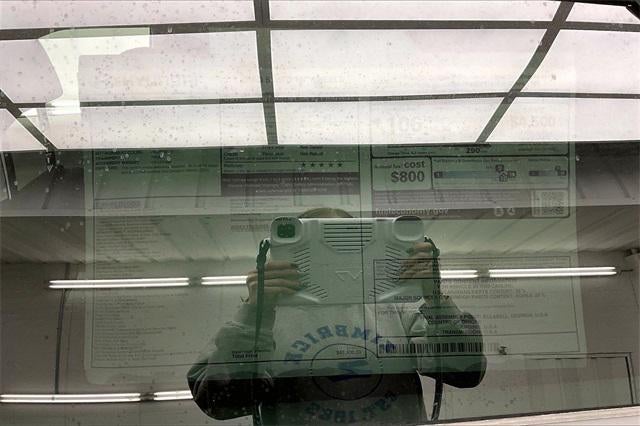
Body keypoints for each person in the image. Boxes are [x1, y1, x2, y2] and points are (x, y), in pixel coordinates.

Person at [188, 208, 485, 425]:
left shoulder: (397, 304)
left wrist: (434, 296)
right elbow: (219, 401)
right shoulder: (264, 316)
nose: (335, 257)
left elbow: (465, 371)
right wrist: (256, 309)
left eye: (348, 246)